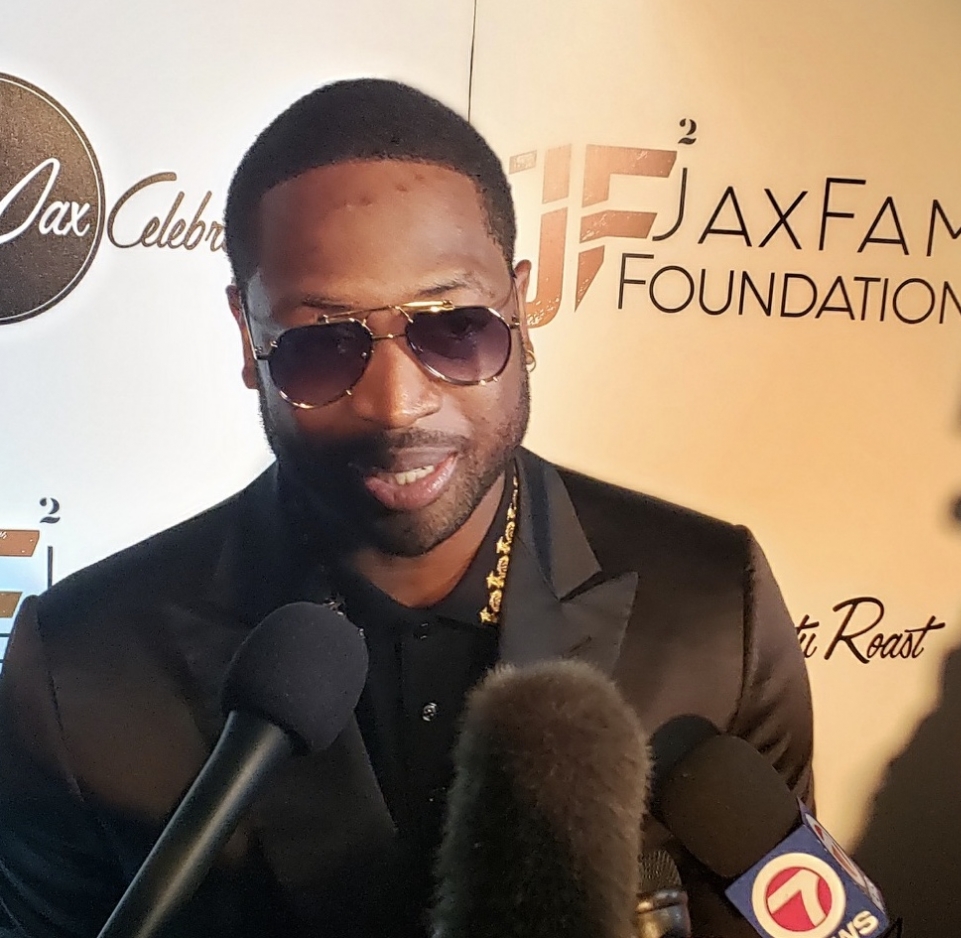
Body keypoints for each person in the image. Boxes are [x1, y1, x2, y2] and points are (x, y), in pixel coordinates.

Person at [0, 79, 813, 938]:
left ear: (521, 310)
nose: (397, 405)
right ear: (248, 336)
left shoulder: (715, 610)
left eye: (453, 327)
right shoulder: (82, 665)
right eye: (322, 343)